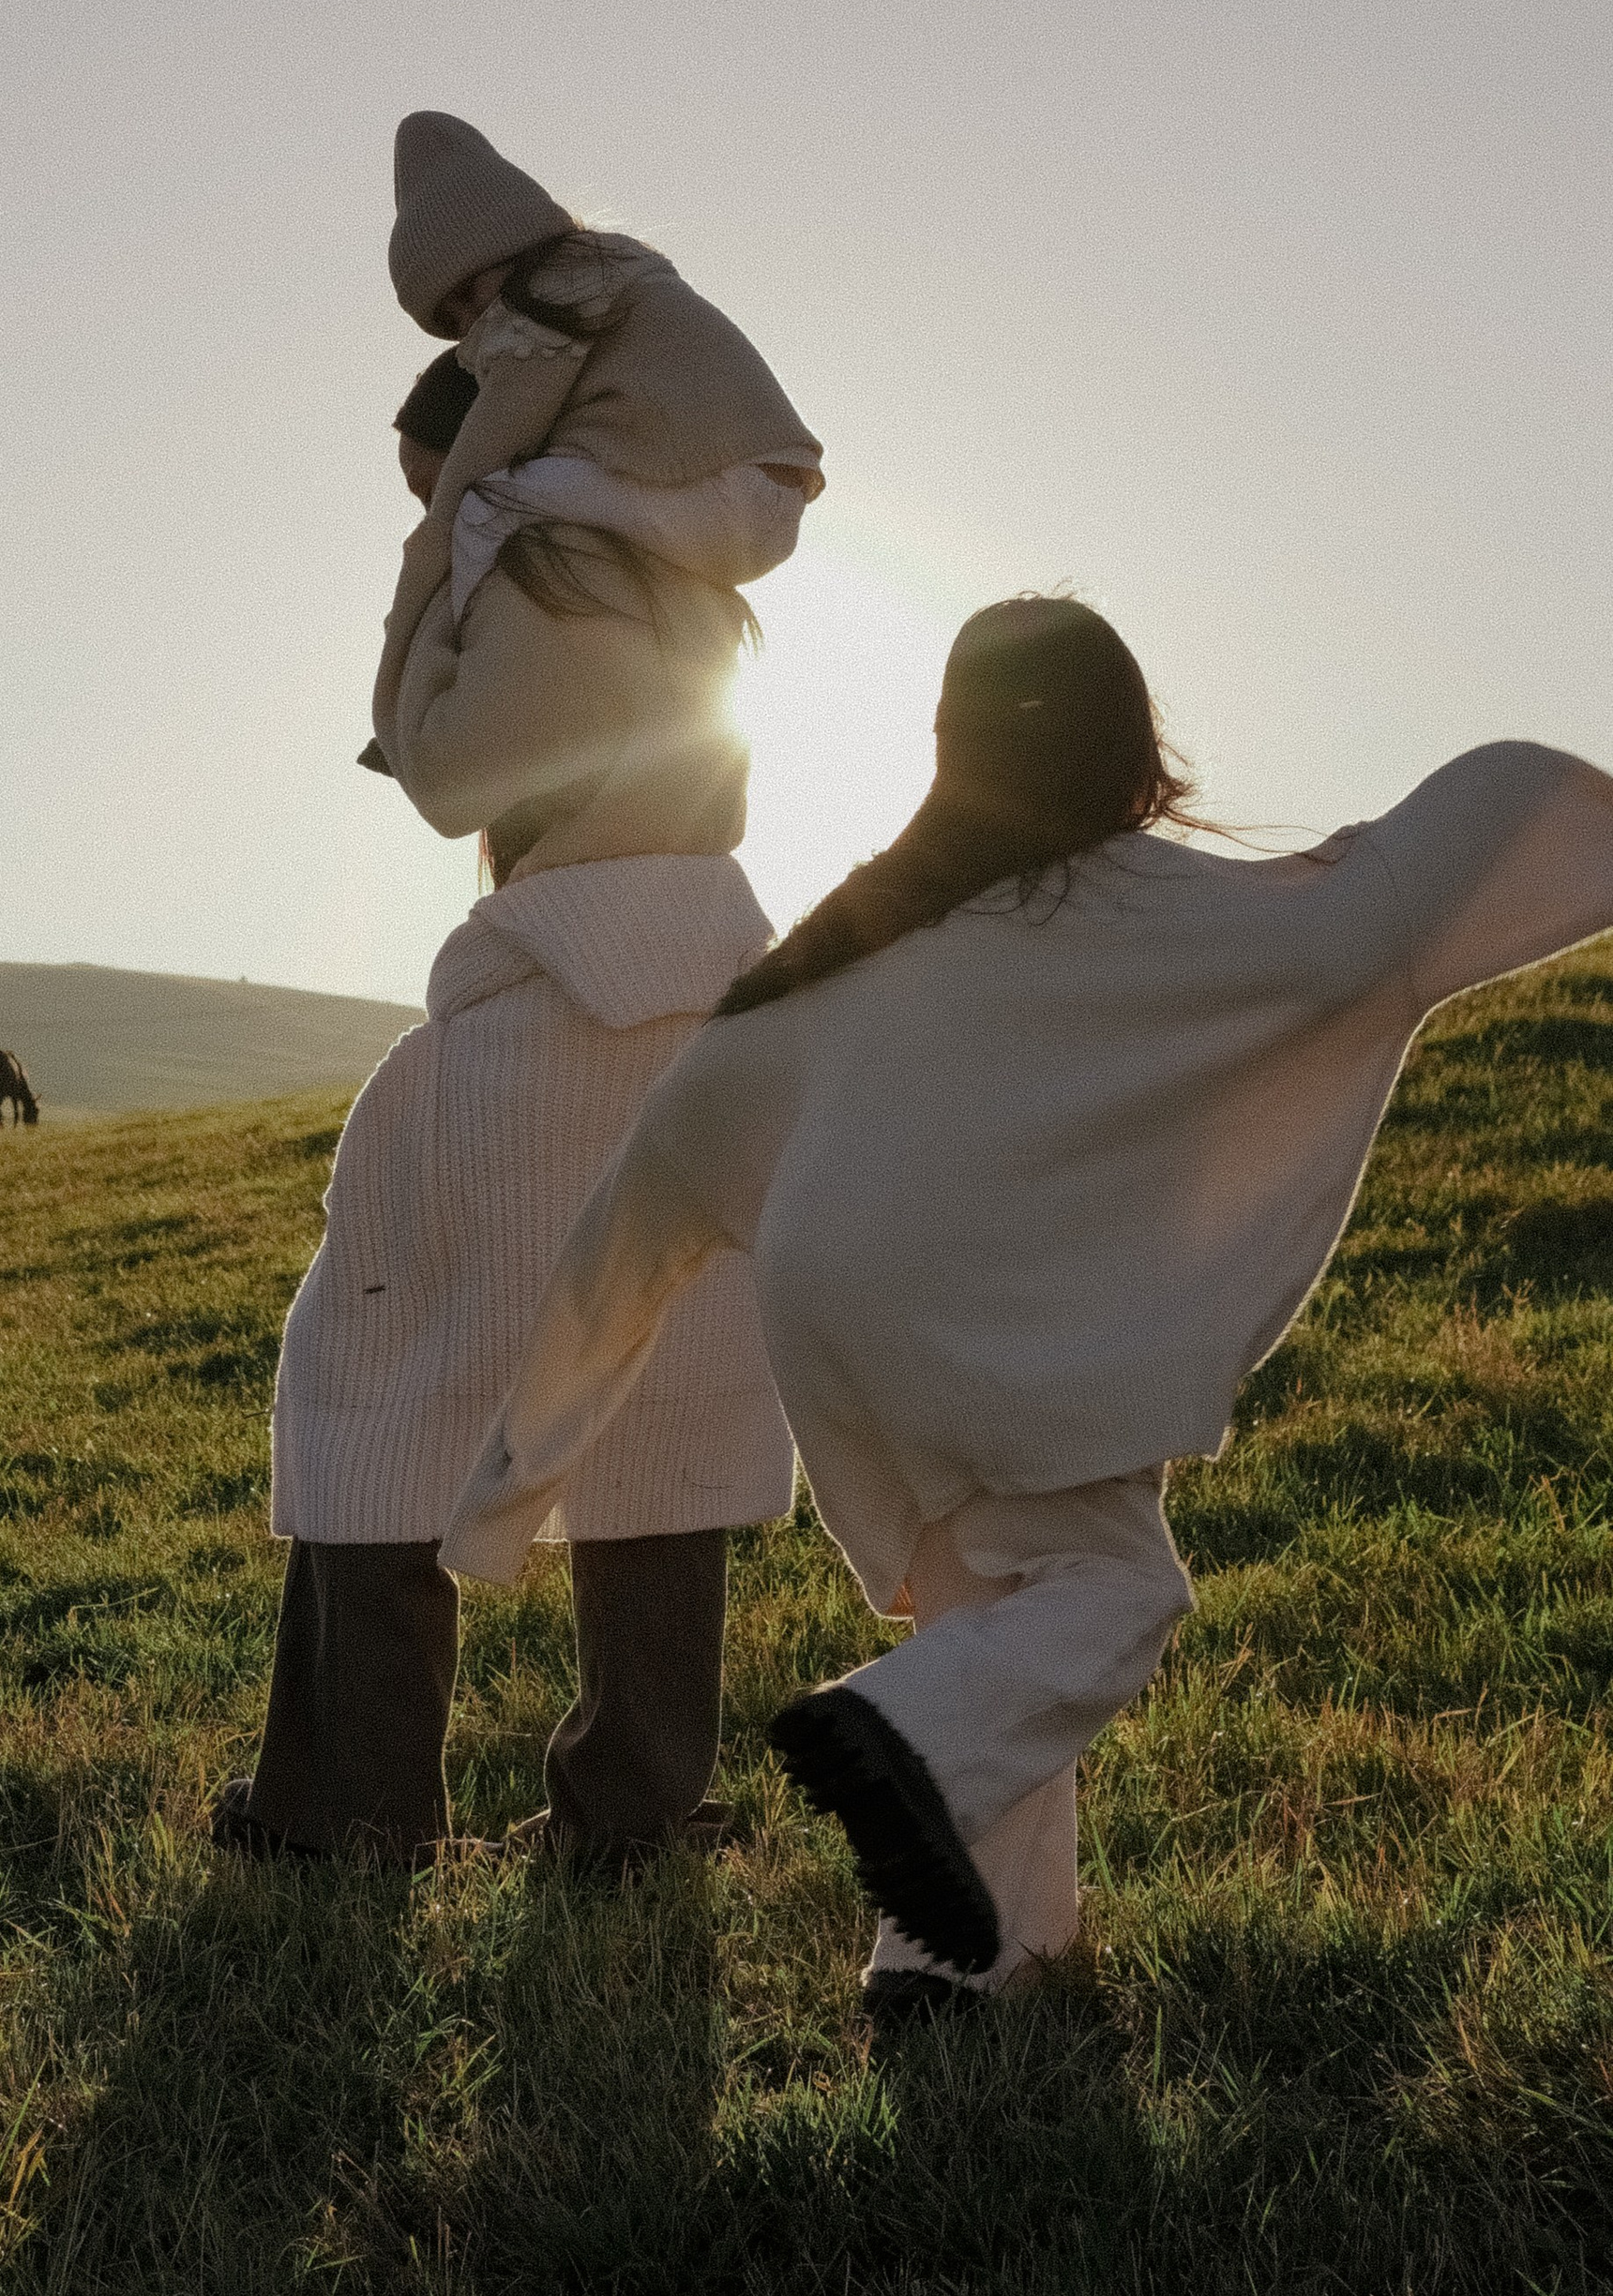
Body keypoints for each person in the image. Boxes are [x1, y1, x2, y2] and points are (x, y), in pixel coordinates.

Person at [440, 596, 1613, 2005]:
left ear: (953, 751)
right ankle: (896, 1741)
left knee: (996, 1621)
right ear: (1133, 747)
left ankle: (955, 1969)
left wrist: (514, 1480)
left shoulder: (845, 945)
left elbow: (640, 1213)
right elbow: (1417, 884)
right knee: (1107, 1593)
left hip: (846, 1321)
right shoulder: (1150, 901)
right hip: (995, 1321)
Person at [212, 328, 804, 1871]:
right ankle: (636, 1812)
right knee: (657, 1393)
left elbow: (446, 775)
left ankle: (348, 1806)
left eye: (431, 476)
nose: (424, 509)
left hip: (556, 988)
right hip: (695, 994)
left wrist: (435, 554)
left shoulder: (527, 569)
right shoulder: (681, 580)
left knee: (372, 1385)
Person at [364, 112, 826, 770]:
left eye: (468, 295)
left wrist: (413, 619)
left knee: (483, 507)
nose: (472, 326)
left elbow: (482, 456)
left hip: (730, 495)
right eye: (454, 321)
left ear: (500, 242)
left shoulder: (554, 300)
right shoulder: (610, 281)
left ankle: (456, 674)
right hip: (751, 497)